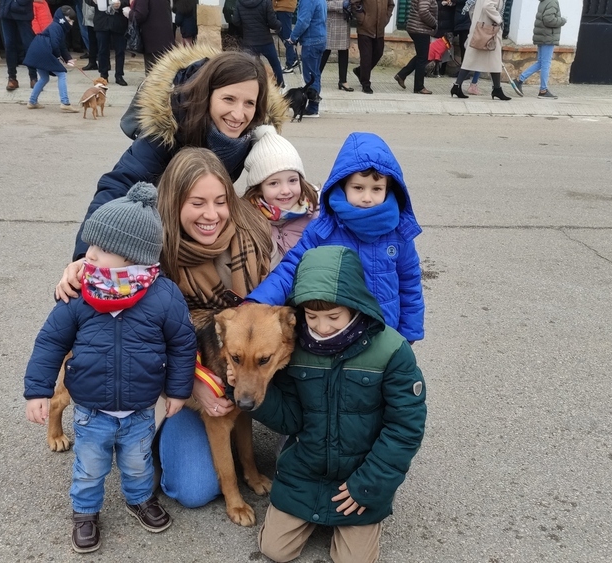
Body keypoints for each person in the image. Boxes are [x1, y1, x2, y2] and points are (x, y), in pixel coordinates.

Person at [57, 146, 276, 507]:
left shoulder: (254, 234)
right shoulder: (147, 257)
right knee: (193, 489)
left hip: (230, 371)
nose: (212, 214)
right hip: (166, 384)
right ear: (174, 203)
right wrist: (81, 264)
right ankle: (142, 443)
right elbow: (124, 337)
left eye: (220, 201)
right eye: (197, 202)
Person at [24, 183, 198, 553]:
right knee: (90, 467)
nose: (88, 255)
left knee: (138, 464)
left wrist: (179, 391)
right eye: (90, 246)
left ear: (133, 256)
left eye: (101, 249)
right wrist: (38, 390)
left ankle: (139, 500)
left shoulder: (164, 296)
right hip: (90, 409)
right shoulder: (80, 292)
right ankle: (85, 511)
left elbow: (182, 343)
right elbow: (51, 342)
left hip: (139, 409)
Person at [251, 245, 427, 563]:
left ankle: (358, 514)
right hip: (305, 469)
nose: (321, 326)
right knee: (273, 550)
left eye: (333, 316)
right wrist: (254, 397)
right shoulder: (294, 349)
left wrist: (372, 483)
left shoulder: (391, 350)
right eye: (311, 316)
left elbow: (405, 427)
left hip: (360, 471)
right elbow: (291, 419)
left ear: (355, 305)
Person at [60, 45, 287, 267]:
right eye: (228, 99)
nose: (239, 114)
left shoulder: (253, 134)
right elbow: (118, 184)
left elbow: (284, 179)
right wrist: (85, 256)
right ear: (207, 95)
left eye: (249, 103)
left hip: (199, 223)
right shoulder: (168, 130)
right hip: (160, 230)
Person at [247, 132, 425, 343]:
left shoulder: (398, 234)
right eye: (358, 188)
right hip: (333, 335)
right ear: (342, 186)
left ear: (389, 189)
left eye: (377, 189)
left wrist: (409, 333)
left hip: (385, 335)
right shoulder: (324, 230)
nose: (367, 198)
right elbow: (290, 269)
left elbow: (410, 285)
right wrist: (257, 303)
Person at [240, 124, 319, 268]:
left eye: (293, 180)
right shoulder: (248, 220)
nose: (285, 190)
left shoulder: (318, 213)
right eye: (274, 183)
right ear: (259, 188)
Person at [24, 6, 81, 112]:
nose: (71, 24)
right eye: (69, 21)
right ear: (63, 18)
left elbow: (61, 45)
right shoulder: (57, 26)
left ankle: (32, 101)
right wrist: (60, 58)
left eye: (72, 21)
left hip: (38, 50)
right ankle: (65, 102)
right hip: (44, 51)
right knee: (62, 74)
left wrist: (68, 59)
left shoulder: (57, 26)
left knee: (44, 77)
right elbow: (55, 44)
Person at [452, 0, 510, 100]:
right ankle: (496, 89)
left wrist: (476, 22)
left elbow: (472, 9)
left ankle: (457, 86)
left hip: (480, 30)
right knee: (492, 60)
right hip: (488, 31)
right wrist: (499, 20)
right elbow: (488, 6)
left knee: (478, 60)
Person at [512, 0, 566, 99]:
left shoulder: (544, 1)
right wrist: (562, 20)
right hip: (548, 37)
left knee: (541, 62)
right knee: (546, 64)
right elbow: (549, 19)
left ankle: (520, 79)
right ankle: (543, 90)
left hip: (542, 36)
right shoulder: (552, 2)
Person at [284, 0, 327, 117]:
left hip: (311, 41)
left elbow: (303, 21)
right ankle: (314, 106)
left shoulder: (308, 1)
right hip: (320, 39)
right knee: (315, 75)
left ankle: (313, 108)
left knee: (310, 76)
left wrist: (293, 37)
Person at [232, 0, 285, 88]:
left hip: (249, 42)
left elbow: (236, 21)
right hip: (265, 41)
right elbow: (272, 22)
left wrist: (245, 27)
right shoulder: (266, 2)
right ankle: (281, 86)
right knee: (275, 64)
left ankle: (252, 88)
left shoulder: (239, 2)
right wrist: (279, 24)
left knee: (250, 67)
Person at [349, 0, 394, 94]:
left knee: (378, 53)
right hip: (365, 29)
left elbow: (391, 4)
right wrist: (362, 19)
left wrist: (386, 18)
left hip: (379, 30)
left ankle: (360, 71)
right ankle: (365, 83)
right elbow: (354, 3)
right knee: (366, 57)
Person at [394, 0, 437, 95]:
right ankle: (419, 87)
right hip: (420, 29)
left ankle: (402, 75)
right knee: (423, 58)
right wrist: (434, 23)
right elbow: (423, 11)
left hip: (416, 27)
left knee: (421, 56)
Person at [0, 0, 39, 91]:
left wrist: (19, 2)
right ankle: (12, 78)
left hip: (23, 10)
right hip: (6, 10)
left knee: (28, 44)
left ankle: (33, 77)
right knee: (9, 45)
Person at [87, 0, 129, 86]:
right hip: (101, 21)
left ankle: (119, 75)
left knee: (120, 50)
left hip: (118, 21)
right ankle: (103, 75)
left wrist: (121, 3)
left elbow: (130, 1)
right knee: (102, 50)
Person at [129, 0, 175, 74]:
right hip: (165, 37)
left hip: (152, 39)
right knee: (165, 72)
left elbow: (140, 15)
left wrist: (129, 13)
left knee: (152, 72)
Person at [320, 0, 353, 92]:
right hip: (331, 23)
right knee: (325, 51)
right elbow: (323, 4)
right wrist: (341, 5)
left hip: (344, 22)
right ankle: (315, 78)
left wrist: (350, 6)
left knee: (344, 51)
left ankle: (343, 81)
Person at [274, 0, 299, 72]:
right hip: (281, 8)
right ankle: (293, 58)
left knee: (286, 35)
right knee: (281, 33)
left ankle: (289, 64)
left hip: (284, 8)